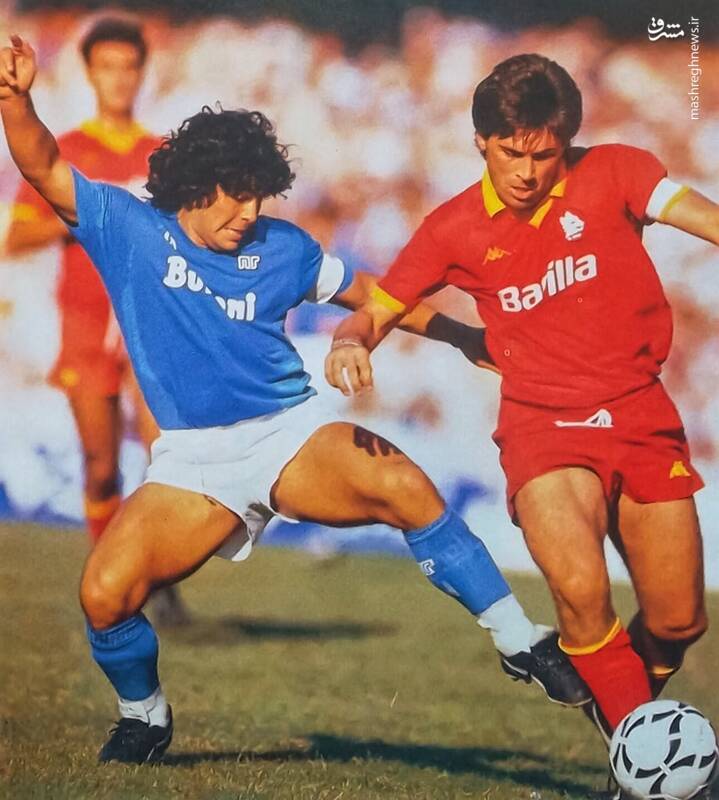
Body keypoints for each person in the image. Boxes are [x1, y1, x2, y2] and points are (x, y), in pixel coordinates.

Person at [0, 37, 590, 765]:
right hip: (194, 461)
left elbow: (374, 294)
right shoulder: (131, 230)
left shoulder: (284, 246)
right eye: (237, 194)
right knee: (103, 596)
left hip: (288, 434)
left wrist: (460, 335)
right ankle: (144, 716)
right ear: (196, 185)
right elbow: (45, 167)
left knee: (402, 483)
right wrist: (14, 100)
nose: (250, 211)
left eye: (260, 195)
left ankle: (518, 639)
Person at [326, 53, 716, 742]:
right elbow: (377, 309)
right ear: (481, 141)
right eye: (512, 153)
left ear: (565, 141)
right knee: (581, 593)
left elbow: (697, 213)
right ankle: (641, 755)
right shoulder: (452, 227)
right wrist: (348, 342)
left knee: (678, 621)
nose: (528, 173)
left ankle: (623, 721)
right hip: (544, 427)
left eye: (544, 155)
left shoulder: (616, 170)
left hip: (640, 412)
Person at [4, 18, 189, 626]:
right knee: (101, 467)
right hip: (84, 324)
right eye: (107, 67)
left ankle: (161, 578)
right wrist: (84, 217)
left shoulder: (163, 154)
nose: (119, 79)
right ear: (89, 73)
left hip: (147, 322)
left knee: (167, 452)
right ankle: (112, 579)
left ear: (142, 73)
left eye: (128, 67)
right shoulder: (67, 149)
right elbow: (16, 238)